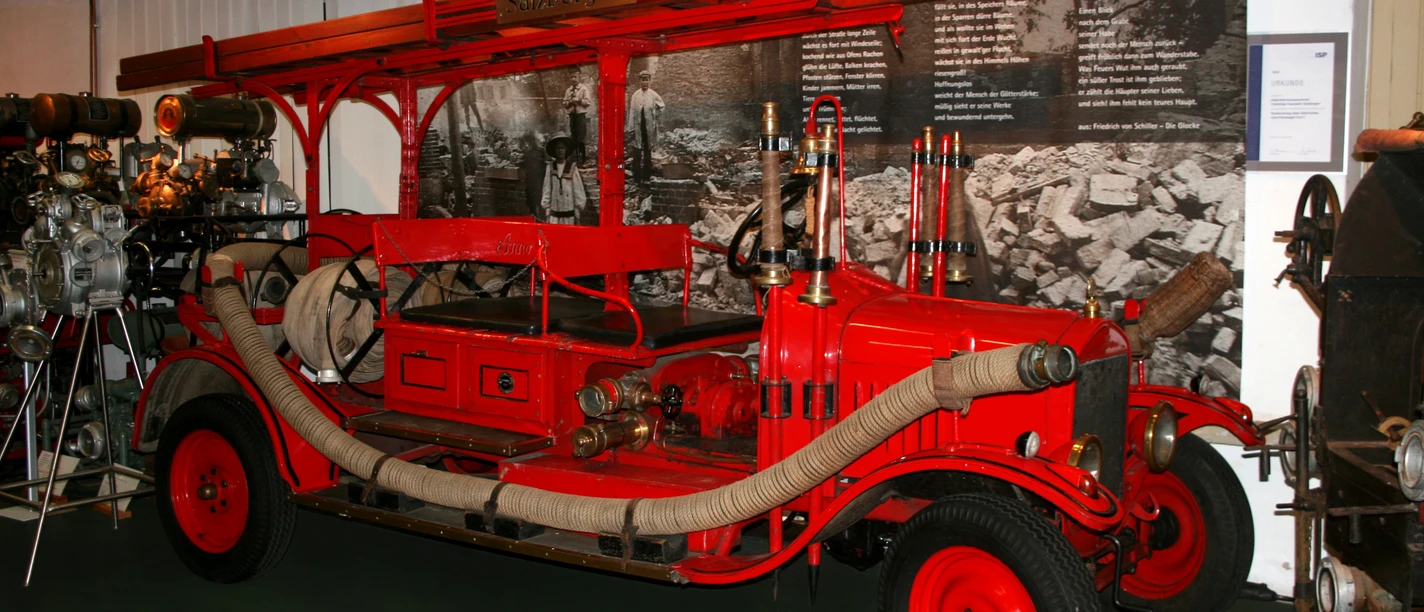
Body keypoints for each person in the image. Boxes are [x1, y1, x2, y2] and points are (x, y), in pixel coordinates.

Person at [625, 70, 664, 184]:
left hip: (649, 127)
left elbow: (662, 106)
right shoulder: (635, 95)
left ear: (649, 81)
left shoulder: (653, 94)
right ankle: (636, 177)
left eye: (646, 80)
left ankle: (647, 177)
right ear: (640, 81)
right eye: (642, 80)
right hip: (638, 127)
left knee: (647, 151)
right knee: (637, 151)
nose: (644, 82)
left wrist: (655, 116)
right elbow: (632, 111)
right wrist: (630, 127)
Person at [540, 134, 586, 225]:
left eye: (562, 148)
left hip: (569, 214)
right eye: (558, 148)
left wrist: (577, 209)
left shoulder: (572, 168)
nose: (560, 151)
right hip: (555, 215)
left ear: (566, 150)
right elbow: (547, 189)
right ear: (554, 151)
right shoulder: (550, 168)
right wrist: (547, 210)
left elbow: (578, 190)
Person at [562, 75, 592, 163]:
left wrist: (579, 100)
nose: (573, 79)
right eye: (571, 77)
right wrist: (570, 102)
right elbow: (564, 103)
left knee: (581, 138)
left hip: (580, 116)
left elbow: (588, 102)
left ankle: (583, 159)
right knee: (573, 137)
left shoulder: (583, 89)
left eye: (575, 77)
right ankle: (575, 158)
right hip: (572, 116)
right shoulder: (568, 90)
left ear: (579, 78)